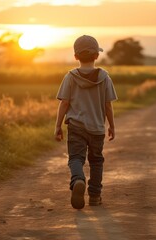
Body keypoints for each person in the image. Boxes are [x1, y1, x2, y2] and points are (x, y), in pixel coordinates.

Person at [54, 35, 118, 209]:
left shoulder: (70, 77)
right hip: (97, 128)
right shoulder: (105, 77)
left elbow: (64, 103)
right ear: (96, 56)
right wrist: (111, 126)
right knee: (96, 161)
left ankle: (78, 180)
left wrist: (58, 125)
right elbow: (108, 106)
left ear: (76, 57)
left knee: (75, 158)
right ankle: (95, 197)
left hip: (76, 126)